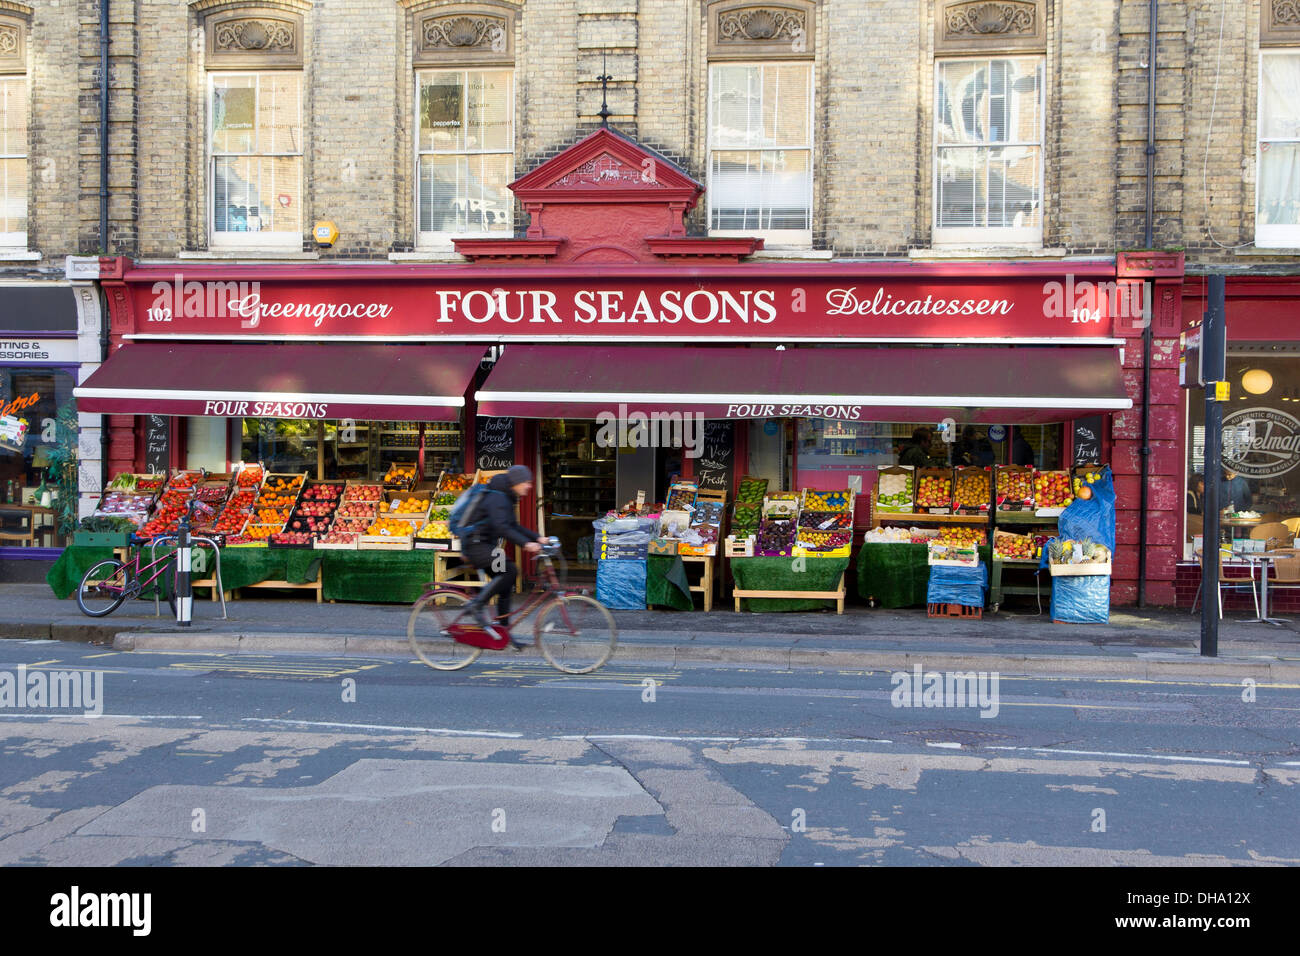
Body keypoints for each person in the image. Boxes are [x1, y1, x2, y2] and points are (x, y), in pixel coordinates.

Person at [461, 465, 547, 646]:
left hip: (485, 544)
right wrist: (526, 544)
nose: (529, 486)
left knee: (506, 583)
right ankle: (477, 604)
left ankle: (505, 634)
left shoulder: (507, 496)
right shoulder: (497, 497)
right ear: (516, 482)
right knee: (509, 572)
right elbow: (502, 527)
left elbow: (513, 526)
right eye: (526, 482)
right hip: (476, 545)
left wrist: (538, 538)